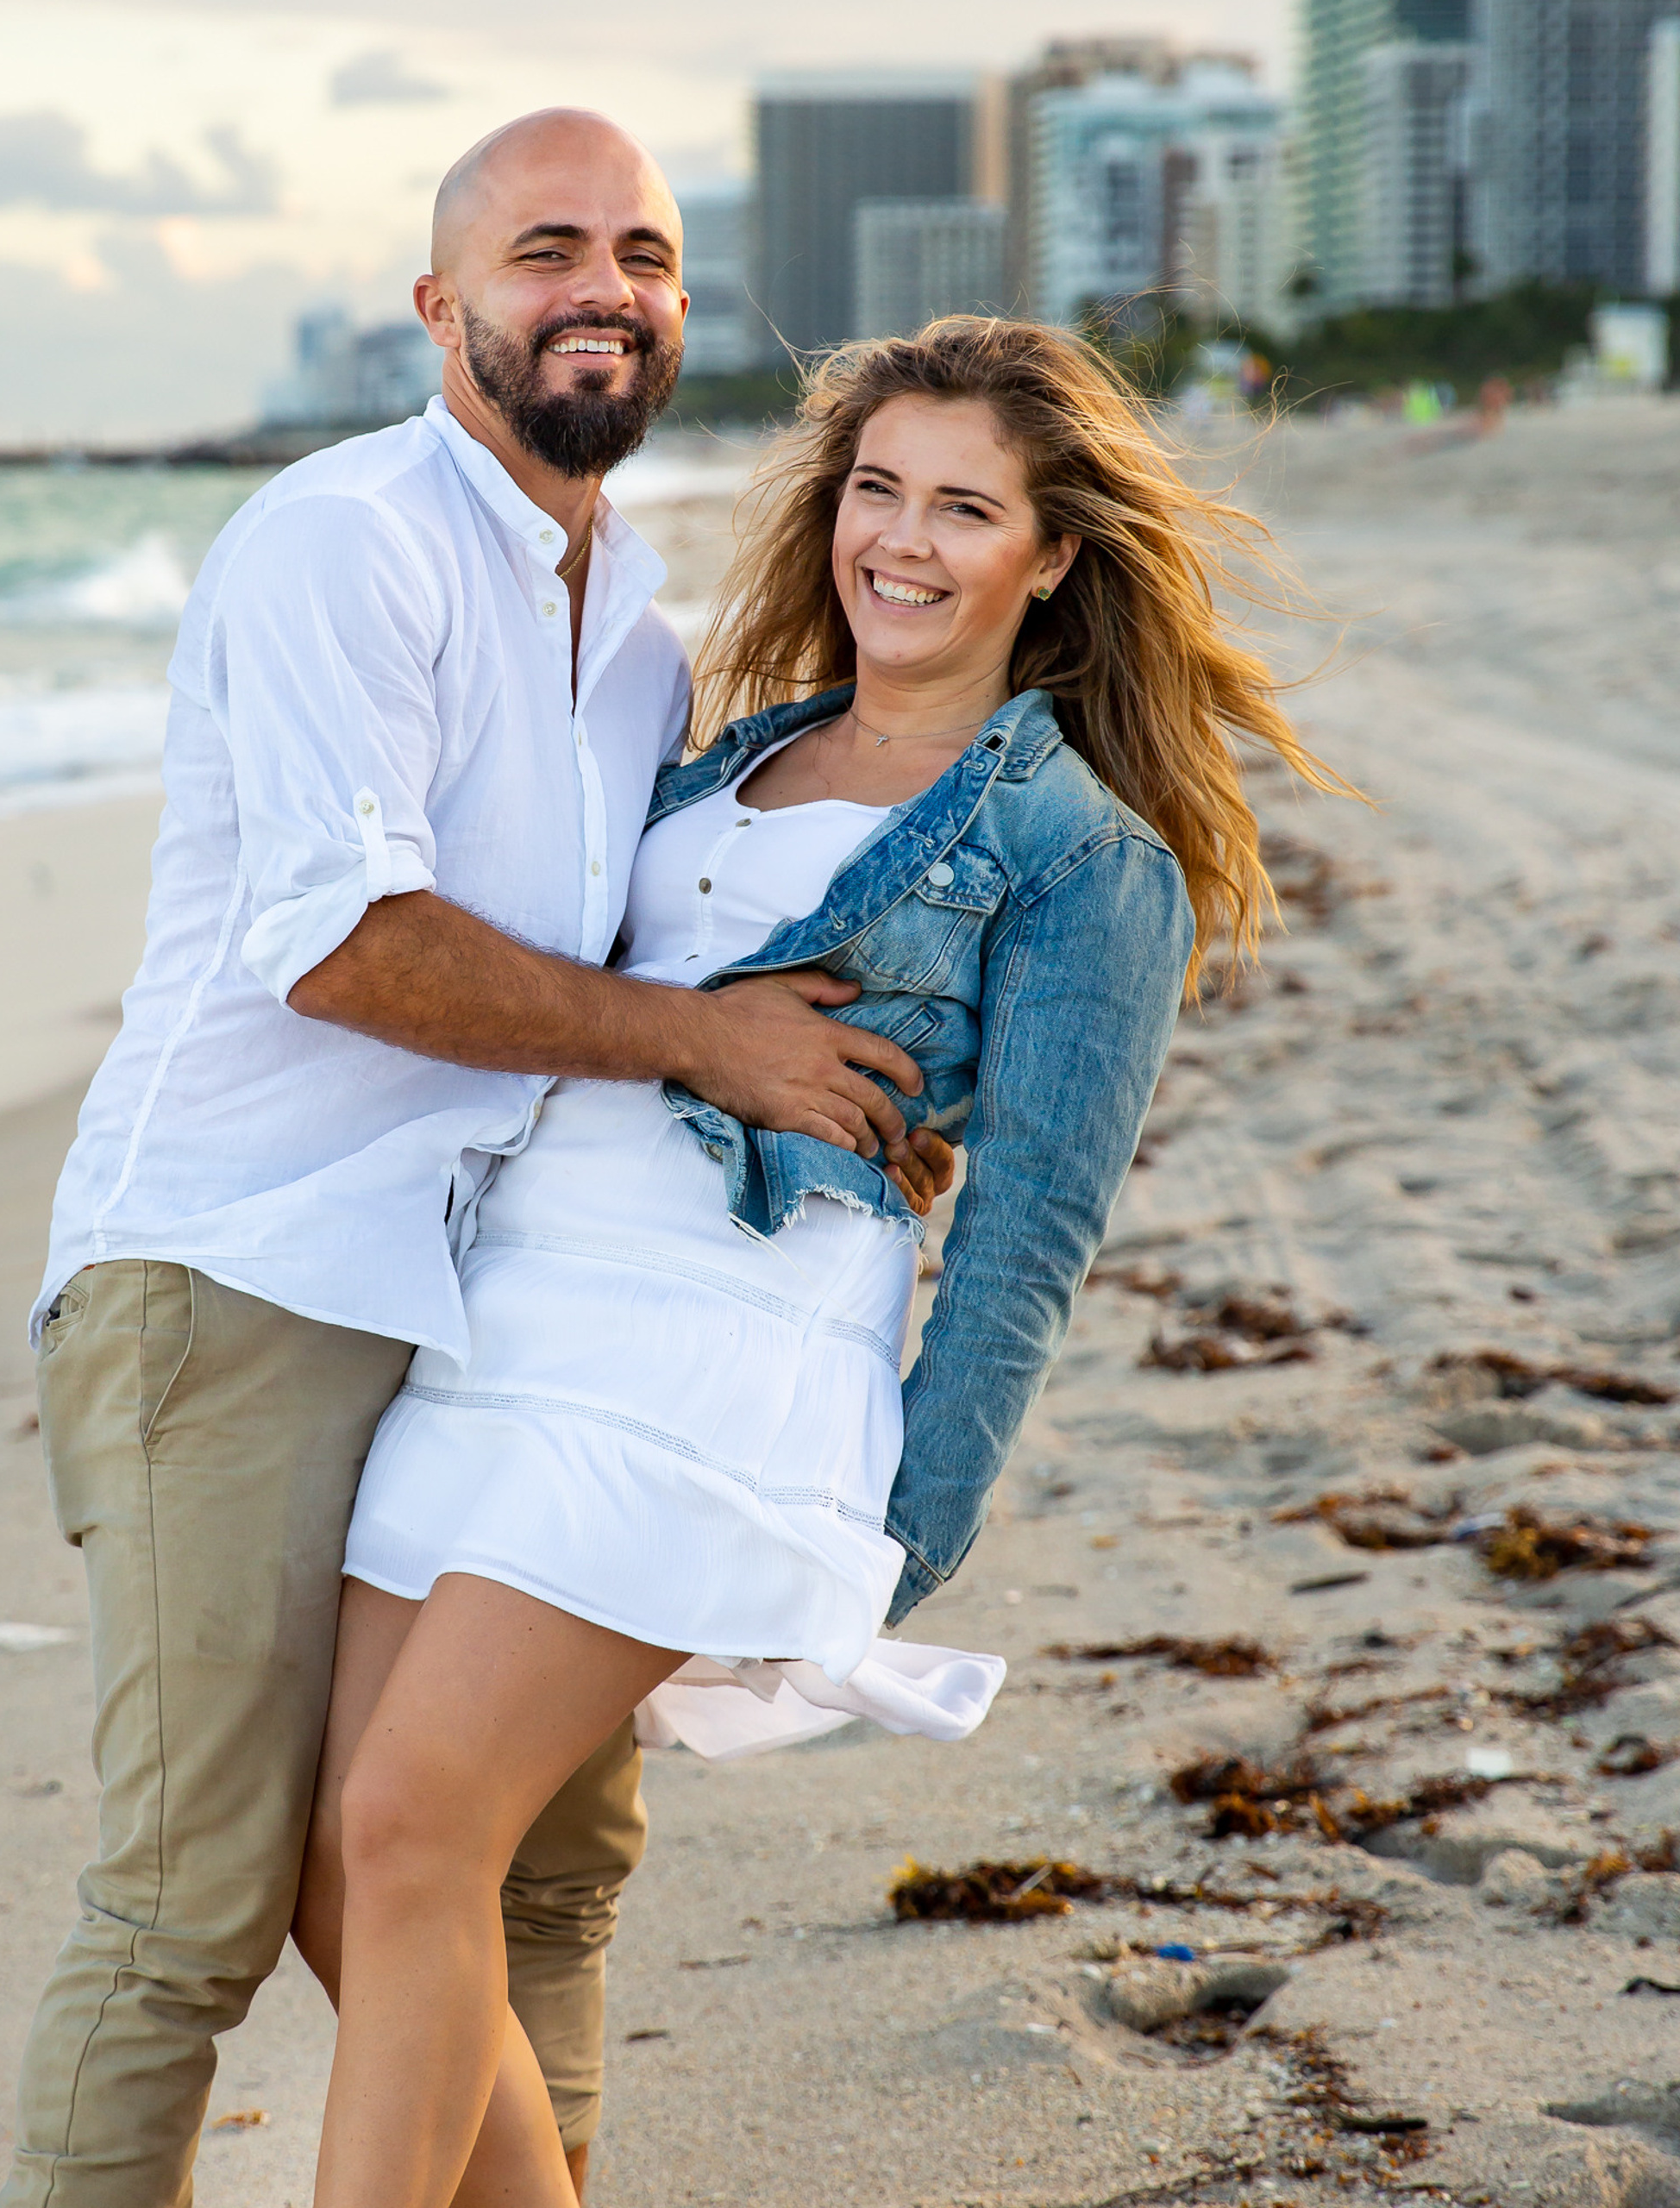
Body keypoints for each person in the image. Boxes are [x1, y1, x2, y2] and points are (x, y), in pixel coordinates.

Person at [291, 314, 1351, 2208]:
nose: (902, 540)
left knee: (408, 1820)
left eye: (964, 507)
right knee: (336, 1863)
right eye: (877, 489)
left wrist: (901, 1523)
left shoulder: (1080, 855)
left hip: (718, 1358)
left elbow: (1031, 1227)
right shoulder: (729, 755)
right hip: (506, 1324)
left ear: (1055, 555)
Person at [0, 110, 949, 2208]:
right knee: (189, 1904)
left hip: (498, 1298)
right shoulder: (348, 542)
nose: (602, 287)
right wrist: (708, 1042)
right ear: (439, 309)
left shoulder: (635, 635)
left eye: (644, 253)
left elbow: (666, 948)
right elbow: (349, 946)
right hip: (238, 1277)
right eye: (545, 251)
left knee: (540, 1873)